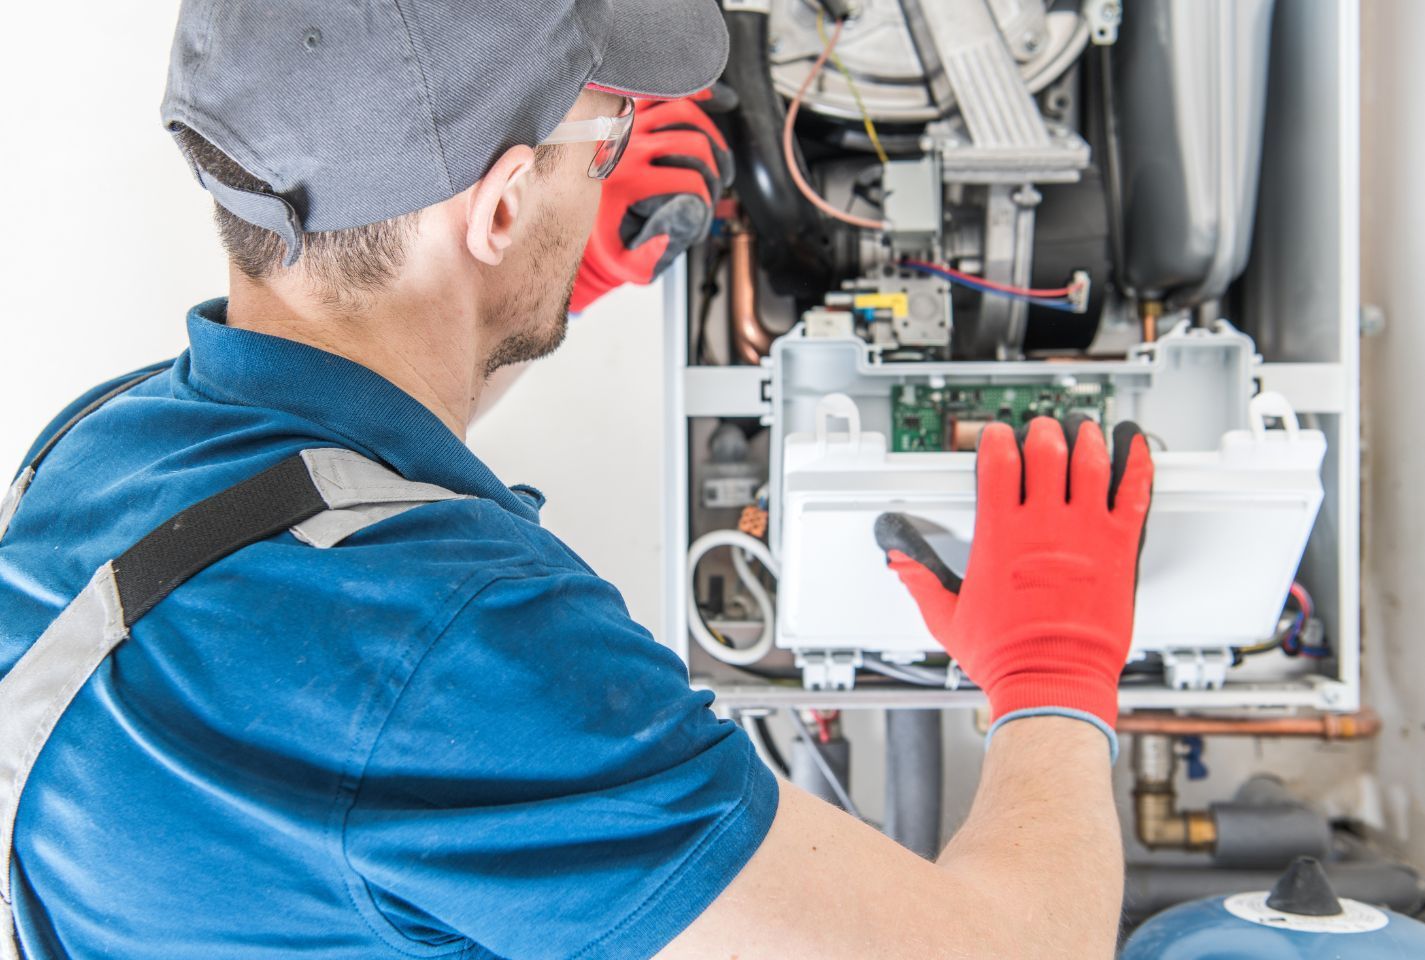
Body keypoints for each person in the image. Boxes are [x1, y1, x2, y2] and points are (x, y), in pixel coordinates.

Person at [0, 1, 1153, 958]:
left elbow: (325, 484)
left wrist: (537, 292)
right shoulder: (460, 652)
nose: (613, 174)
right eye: (603, 144)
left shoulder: (102, 448)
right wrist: (1055, 677)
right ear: (500, 209)